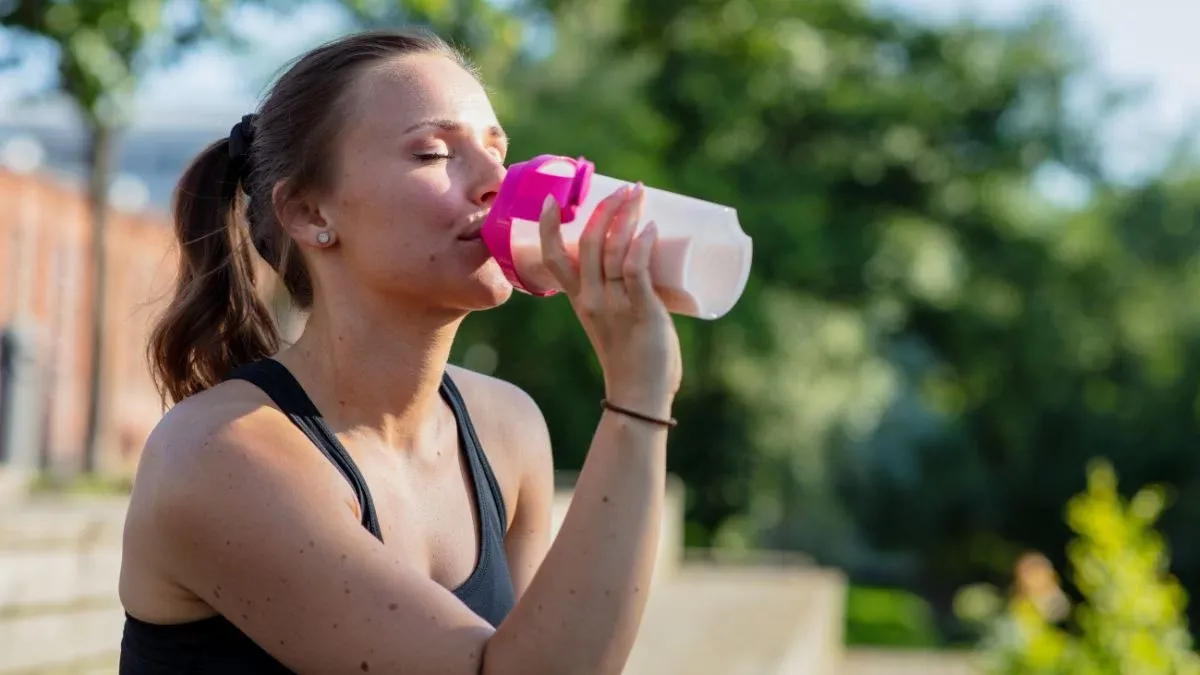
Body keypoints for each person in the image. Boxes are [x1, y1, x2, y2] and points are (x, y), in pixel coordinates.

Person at [118, 27, 682, 675]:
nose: (498, 182)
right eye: (435, 153)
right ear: (308, 213)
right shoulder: (217, 453)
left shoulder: (508, 427)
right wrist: (638, 394)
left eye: (500, 151)